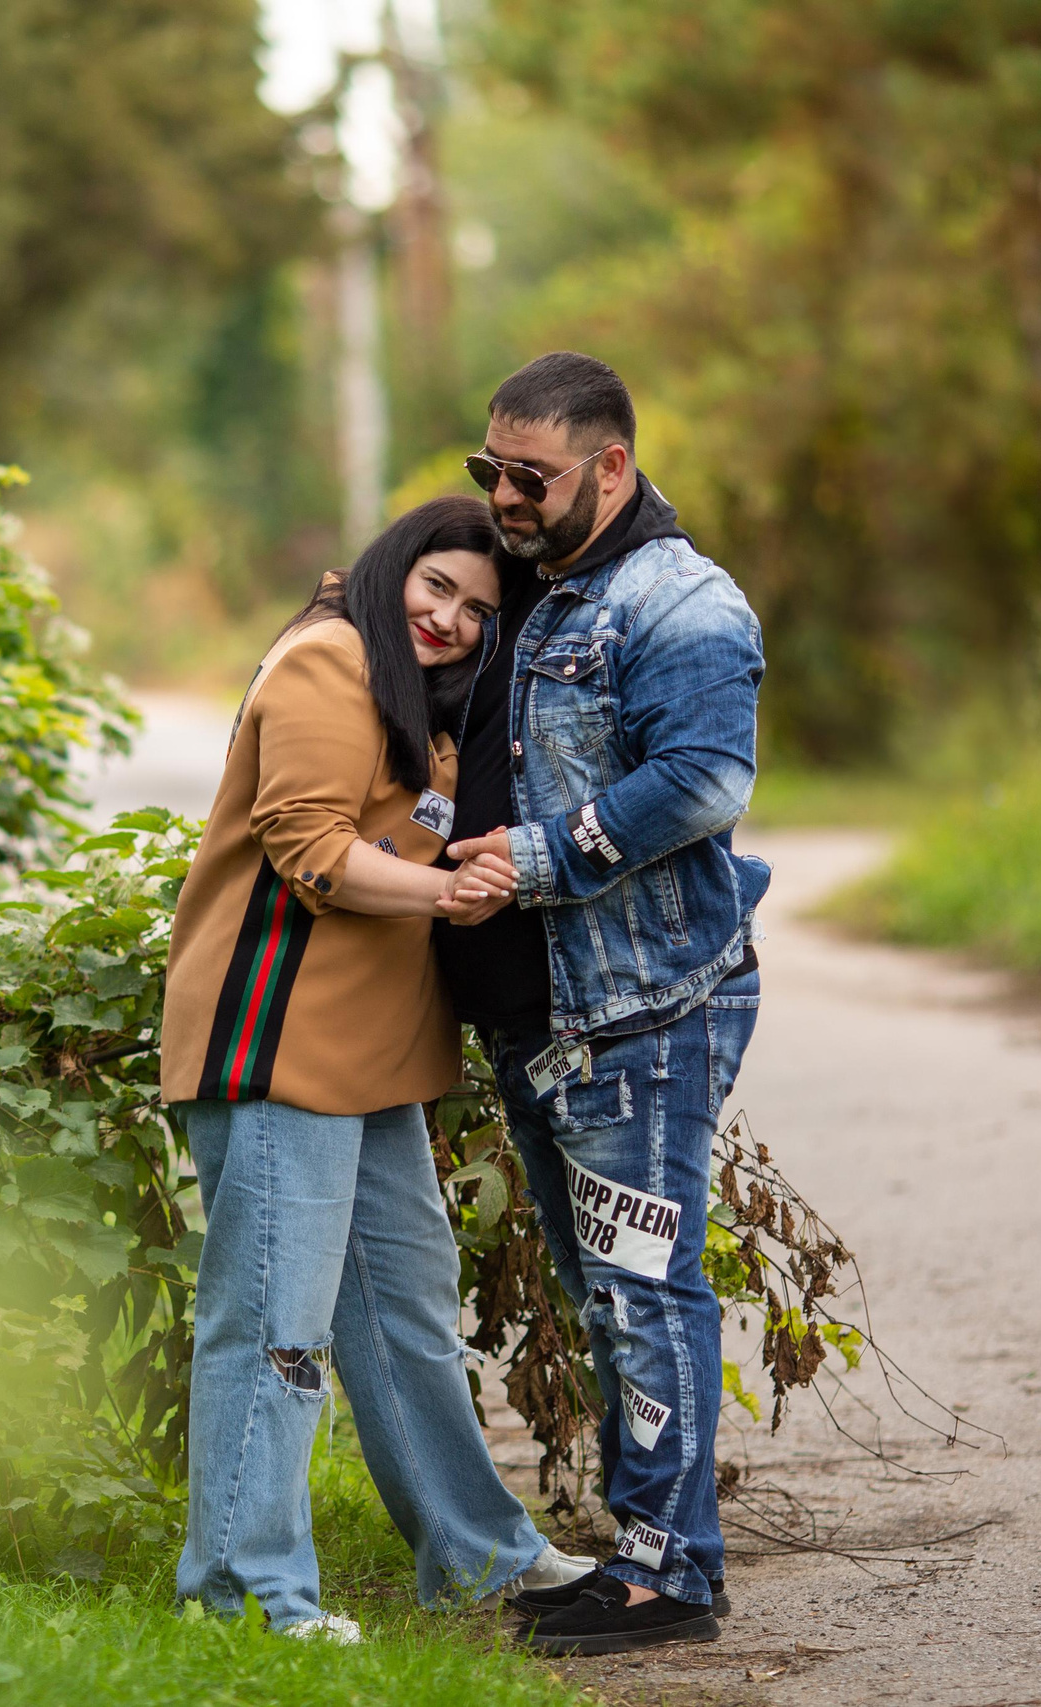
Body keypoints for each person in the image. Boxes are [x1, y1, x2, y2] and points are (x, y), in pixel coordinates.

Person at [160, 495, 589, 1642]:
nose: (448, 618)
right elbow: (308, 850)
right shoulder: (327, 660)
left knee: (405, 1316)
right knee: (272, 1326)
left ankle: (477, 1555)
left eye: (475, 609)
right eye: (435, 586)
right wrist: (449, 888)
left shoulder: (420, 698)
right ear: (393, 564)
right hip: (277, 1040)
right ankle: (245, 1595)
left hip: (372, 1062)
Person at [436, 353, 769, 1657]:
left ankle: (672, 1573)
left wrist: (533, 855)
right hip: (544, 1012)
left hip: (640, 1005)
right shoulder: (541, 584)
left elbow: (700, 779)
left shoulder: (680, 601)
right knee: (600, 1283)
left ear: (611, 467)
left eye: (531, 475)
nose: (505, 497)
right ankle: (642, 1549)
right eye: (490, 471)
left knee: (643, 1283)